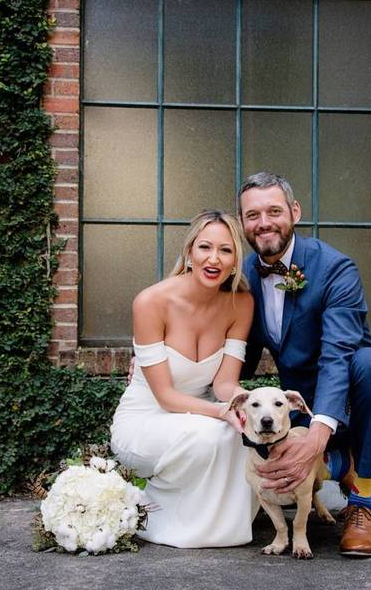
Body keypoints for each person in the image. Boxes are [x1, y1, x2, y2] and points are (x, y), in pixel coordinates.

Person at [238, 171, 371, 558]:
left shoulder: (335, 268)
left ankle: (362, 506)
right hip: (295, 403)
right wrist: (163, 362)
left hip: (351, 395)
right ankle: (339, 465)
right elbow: (234, 348)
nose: (263, 222)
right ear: (243, 223)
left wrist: (317, 435)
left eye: (274, 211)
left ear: (295, 212)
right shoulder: (244, 272)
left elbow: (338, 354)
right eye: (252, 215)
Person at [110, 210, 259, 548]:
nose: (214, 258)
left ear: (236, 259)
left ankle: (221, 529)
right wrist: (222, 412)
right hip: (147, 418)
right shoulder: (151, 302)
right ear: (190, 251)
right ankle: (161, 519)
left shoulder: (241, 303)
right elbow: (166, 397)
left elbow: (224, 384)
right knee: (214, 434)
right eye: (205, 247)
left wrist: (244, 403)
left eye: (225, 250)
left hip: (200, 415)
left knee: (241, 432)